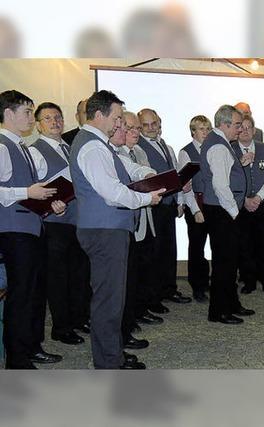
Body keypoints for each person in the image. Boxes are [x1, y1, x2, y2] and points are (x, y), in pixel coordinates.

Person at [69, 90, 164, 369]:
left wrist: (147, 175)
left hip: (107, 228)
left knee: (112, 298)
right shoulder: (92, 147)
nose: (120, 122)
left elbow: (128, 168)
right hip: (103, 230)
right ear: (99, 115)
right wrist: (147, 198)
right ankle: (109, 362)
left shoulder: (101, 145)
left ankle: (112, 354)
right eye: (117, 116)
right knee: (108, 301)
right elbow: (112, 192)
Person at [0, 90, 66, 369]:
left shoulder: (22, 146)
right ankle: (17, 358)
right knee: (21, 293)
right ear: (8, 114)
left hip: (31, 227)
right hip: (13, 229)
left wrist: (52, 201)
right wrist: (28, 191)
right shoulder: (2, 145)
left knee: (35, 291)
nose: (31, 117)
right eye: (27, 112)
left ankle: (30, 347)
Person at [29, 102, 90, 346]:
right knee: (58, 278)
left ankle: (78, 319)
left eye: (58, 117)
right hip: (54, 223)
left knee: (79, 274)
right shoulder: (35, 151)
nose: (55, 122)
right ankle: (61, 327)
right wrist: (50, 201)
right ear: (38, 125)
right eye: (48, 118)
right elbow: (35, 188)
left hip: (78, 221)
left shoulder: (70, 146)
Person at [201, 104, 254, 325]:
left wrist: (239, 165)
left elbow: (224, 172)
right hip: (223, 211)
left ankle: (231, 304)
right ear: (224, 124)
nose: (240, 130)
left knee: (230, 261)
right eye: (237, 125)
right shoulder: (219, 146)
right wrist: (234, 212)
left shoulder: (221, 143)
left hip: (222, 211)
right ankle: (219, 311)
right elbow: (221, 185)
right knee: (224, 263)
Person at [137, 108, 191, 309]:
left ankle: (169, 288)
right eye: (146, 125)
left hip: (168, 206)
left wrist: (179, 200)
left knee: (169, 250)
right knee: (154, 253)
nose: (151, 128)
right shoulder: (138, 148)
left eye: (154, 124)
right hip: (153, 207)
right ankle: (155, 295)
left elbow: (174, 174)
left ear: (160, 123)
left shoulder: (166, 146)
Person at [118, 112, 164, 329]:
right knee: (130, 272)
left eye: (137, 128)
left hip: (146, 217)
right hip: (128, 221)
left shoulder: (140, 152)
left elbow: (148, 178)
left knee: (145, 266)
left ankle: (142, 308)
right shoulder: (115, 154)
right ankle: (131, 315)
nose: (136, 133)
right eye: (131, 128)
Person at [232, 114, 264, 296]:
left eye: (248, 128)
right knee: (244, 245)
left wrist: (258, 198)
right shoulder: (231, 149)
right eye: (241, 128)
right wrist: (245, 199)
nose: (244, 131)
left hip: (263, 205)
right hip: (241, 206)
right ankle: (248, 281)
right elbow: (230, 180)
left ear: (254, 130)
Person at [178, 115, 211, 302]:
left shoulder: (213, 149)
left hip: (212, 204)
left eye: (207, 128)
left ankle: (206, 280)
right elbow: (185, 185)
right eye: (201, 129)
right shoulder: (186, 153)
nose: (205, 132)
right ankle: (197, 285)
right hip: (196, 203)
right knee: (197, 247)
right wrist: (195, 210)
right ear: (193, 131)